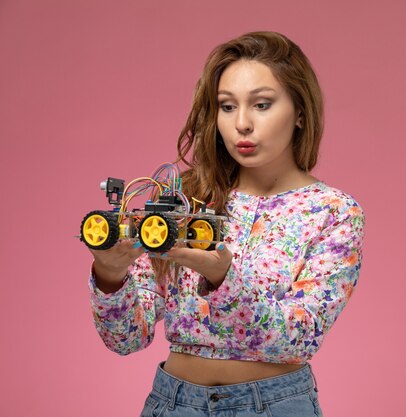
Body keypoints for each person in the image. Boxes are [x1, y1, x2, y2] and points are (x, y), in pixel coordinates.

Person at [88, 31, 365, 417]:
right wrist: (110, 274)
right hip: (173, 404)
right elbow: (126, 339)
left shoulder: (331, 211)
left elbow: (298, 339)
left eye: (262, 104)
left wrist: (224, 280)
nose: (243, 124)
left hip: (274, 406)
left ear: (300, 112)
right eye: (227, 106)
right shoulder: (184, 198)